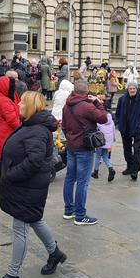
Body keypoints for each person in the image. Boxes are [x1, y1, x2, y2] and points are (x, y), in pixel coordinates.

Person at [0, 91, 66, 278]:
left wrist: (11, 175)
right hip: (27, 186)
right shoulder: (31, 125)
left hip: (28, 187)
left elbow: (34, 161)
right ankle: (55, 253)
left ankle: (12, 276)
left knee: (20, 227)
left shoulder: (37, 130)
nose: (18, 105)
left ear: (31, 106)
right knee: (35, 220)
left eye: (22, 102)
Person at [61, 80, 108, 225]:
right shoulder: (87, 106)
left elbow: (64, 126)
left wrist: (70, 137)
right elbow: (104, 118)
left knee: (70, 178)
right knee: (82, 182)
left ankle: (69, 210)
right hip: (84, 148)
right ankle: (80, 216)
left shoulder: (66, 106)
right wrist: (97, 102)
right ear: (86, 92)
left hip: (71, 147)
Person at [116, 80, 140, 181]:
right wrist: (119, 123)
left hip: (137, 129)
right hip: (125, 128)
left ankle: (135, 170)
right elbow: (118, 113)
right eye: (130, 88)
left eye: (134, 88)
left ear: (136, 89)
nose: (132, 90)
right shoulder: (122, 99)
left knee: (137, 150)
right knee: (127, 150)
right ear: (127, 89)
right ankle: (129, 166)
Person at [0, 76, 21, 166]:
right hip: (7, 133)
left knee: (1, 156)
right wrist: (21, 128)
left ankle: (1, 175)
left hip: (2, 131)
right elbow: (12, 120)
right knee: (6, 157)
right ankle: (3, 176)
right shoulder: (5, 101)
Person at [91, 107, 116, 182]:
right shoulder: (111, 121)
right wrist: (113, 140)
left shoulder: (99, 122)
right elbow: (114, 131)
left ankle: (96, 172)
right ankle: (110, 168)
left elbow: (95, 131)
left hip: (100, 142)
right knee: (106, 157)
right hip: (108, 142)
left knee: (98, 156)